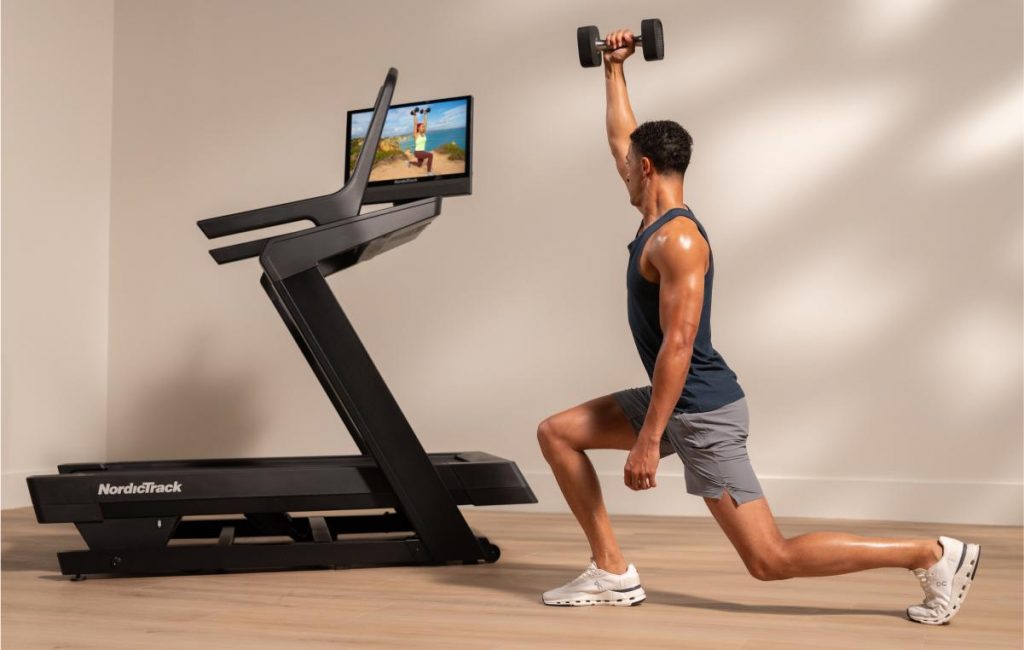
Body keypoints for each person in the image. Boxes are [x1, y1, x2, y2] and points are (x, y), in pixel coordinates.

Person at [536, 28, 980, 624]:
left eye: (628, 165)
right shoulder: (653, 212)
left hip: (700, 410)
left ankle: (931, 554)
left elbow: (680, 343)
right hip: (679, 398)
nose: (621, 167)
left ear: (645, 168)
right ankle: (612, 571)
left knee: (770, 558)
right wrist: (613, 68)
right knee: (558, 433)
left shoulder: (679, 240)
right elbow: (622, 135)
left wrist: (648, 440)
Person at [407, 108, 434, 176]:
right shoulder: (416, 135)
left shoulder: (424, 134)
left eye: (423, 127)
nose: (423, 128)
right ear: (418, 128)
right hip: (418, 152)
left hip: (422, 152)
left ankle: (409, 162)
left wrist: (425, 113)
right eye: (422, 127)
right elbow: (415, 124)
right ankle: (429, 172)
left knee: (419, 165)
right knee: (430, 155)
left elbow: (425, 123)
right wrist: (414, 114)